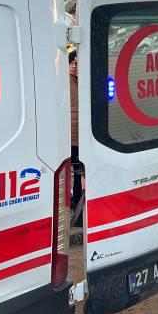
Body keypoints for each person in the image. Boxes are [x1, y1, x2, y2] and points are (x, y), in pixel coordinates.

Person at [68, 51, 83, 211]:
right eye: (71, 63)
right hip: (70, 135)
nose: (73, 66)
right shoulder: (64, 82)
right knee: (71, 171)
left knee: (78, 172)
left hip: (81, 135)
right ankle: (71, 201)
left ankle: (77, 201)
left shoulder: (81, 81)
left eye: (76, 63)